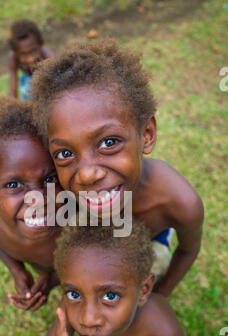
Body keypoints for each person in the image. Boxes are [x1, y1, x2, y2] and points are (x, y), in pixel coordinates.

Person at [31, 39, 204, 298]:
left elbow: (188, 250)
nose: (88, 174)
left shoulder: (180, 202)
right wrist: (54, 276)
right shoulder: (63, 196)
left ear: (146, 134)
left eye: (109, 143)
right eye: (65, 153)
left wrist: (161, 296)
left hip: (149, 245)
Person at [30, 220, 186, 336]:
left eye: (110, 296)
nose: (88, 319)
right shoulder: (70, 310)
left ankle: (163, 235)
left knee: (158, 261)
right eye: (74, 294)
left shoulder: (166, 332)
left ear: (144, 291)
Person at [0, 97, 61, 311]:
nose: (38, 199)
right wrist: (18, 272)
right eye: (14, 184)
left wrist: (54, 280)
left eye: (49, 179)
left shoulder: (80, 222)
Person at [8, 19, 53, 100]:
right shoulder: (13, 58)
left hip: (47, 87)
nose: (30, 59)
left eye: (33, 51)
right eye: (23, 54)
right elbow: (12, 90)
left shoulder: (48, 57)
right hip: (27, 86)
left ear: (41, 44)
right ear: (16, 52)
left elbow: (57, 82)